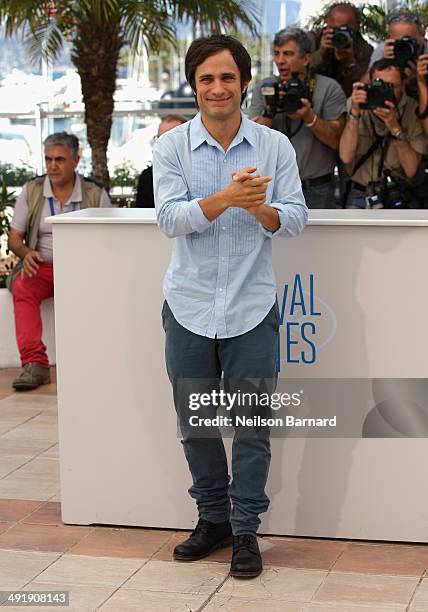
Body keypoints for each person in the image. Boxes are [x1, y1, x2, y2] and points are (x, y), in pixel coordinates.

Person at [153, 34, 307, 578]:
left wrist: (260, 207)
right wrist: (225, 199)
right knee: (195, 424)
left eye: (227, 77)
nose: (217, 88)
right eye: (206, 79)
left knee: (250, 426)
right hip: (189, 305)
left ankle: (245, 532)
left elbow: (294, 219)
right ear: (195, 86)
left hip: (251, 307)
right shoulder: (171, 147)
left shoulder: (274, 147)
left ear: (244, 82)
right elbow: (169, 218)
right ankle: (211, 519)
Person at [7, 132, 111, 391]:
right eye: (48, 159)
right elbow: (14, 238)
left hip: (82, 270)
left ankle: (93, 361)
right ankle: (35, 364)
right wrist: (25, 253)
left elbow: (109, 240)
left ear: (76, 160)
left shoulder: (94, 193)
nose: (53, 165)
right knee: (22, 287)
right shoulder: (32, 191)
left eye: (60, 159)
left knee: (101, 295)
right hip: (41, 267)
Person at [248, 27, 346, 209]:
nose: (280, 61)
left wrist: (309, 117)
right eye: (277, 54)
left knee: (319, 239)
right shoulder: (266, 88)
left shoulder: (328, 88)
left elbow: (337, 141)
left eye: (288, 54)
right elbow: (250, 140)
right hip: (273, 188)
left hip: (316, 188)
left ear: (306, 58)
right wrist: (270, 111)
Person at [339, 59, 428, 208]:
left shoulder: (412, 109)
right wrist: (354, 113)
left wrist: (394, 127)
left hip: (398, 194)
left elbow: (411, 170)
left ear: (404, 84)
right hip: (361, 193)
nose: (385, 92)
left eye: (392, 86)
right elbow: (346, 156)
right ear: (370, 82)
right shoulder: (356, 104)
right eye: (379, 85)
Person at [311, 2, 373, 97]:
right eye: (334, 29)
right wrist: (320, 53)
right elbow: (299, 71)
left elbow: (364, 87)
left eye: (345, 29)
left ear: (356, 27)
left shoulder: (365, 50)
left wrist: (350, 63)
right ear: (326, 24)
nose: (339, 35)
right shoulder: (312, 40)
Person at [368, 12, 428, 100]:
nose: (404, 47)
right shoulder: (385, 48)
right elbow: (366, 84)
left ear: (422, 36)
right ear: (389, 39)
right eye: (399, 42)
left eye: (410, 41)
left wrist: (420, 82)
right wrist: (382, 63)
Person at [133, 115, 186, 208]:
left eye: (168, 139)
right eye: (159, 138)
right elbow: (141, 216)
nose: (162, 144)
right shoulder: (148, 176)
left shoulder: (202, 171)